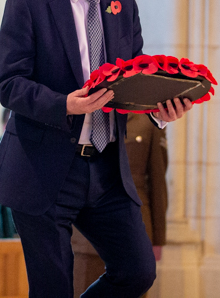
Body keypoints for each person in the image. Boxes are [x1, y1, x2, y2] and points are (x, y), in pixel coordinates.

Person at [0, 0, 190, 298]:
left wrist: (160, 111)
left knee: (137, 271)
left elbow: (132, 84)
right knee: (52, 288)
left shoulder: (122, 5)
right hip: (42, 168)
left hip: (106, 169)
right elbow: (8, 84)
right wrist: (65, 104)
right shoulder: (28, 3)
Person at [72, 112, 168, 296]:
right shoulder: (85, 113)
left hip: (133, 228)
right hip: (85, 236)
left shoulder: (148, 120)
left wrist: (158, 238)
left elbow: (157, 182)